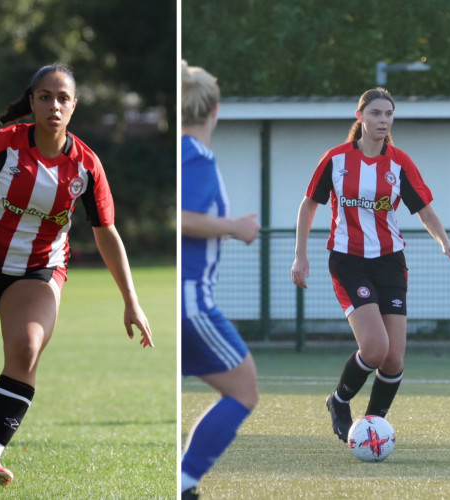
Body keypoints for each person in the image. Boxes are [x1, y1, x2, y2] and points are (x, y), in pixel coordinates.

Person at [0, 63, 154, 487]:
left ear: (74, 107)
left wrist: (131, 300)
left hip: (39, 269)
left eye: (63, 98)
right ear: (31, 102)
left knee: (27, 347)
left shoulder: (86, 166)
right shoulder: (4, 146)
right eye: (45, 97)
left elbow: (106, 233)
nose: (54, 105)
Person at [290, 88, 450, 443]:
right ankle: (339, 401)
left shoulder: (399, 163)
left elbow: (424, 210)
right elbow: (309, 206)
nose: (383, 120)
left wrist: (444, 242)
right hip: (348, 261)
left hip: (390, 262)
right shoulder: (336, 159)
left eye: (388, 114)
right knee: (374, 348)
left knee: (394, 359)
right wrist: (300, 255)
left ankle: (372, 427)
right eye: (375, 114)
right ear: (360, 117)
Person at [180, 61, 260, 500]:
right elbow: (183, 219)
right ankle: (184, 483)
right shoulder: (194, 154)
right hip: (190, 301)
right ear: (216, 109)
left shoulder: (186, 153)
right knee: (244, 390)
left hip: (183, 299)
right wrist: (235, 227)